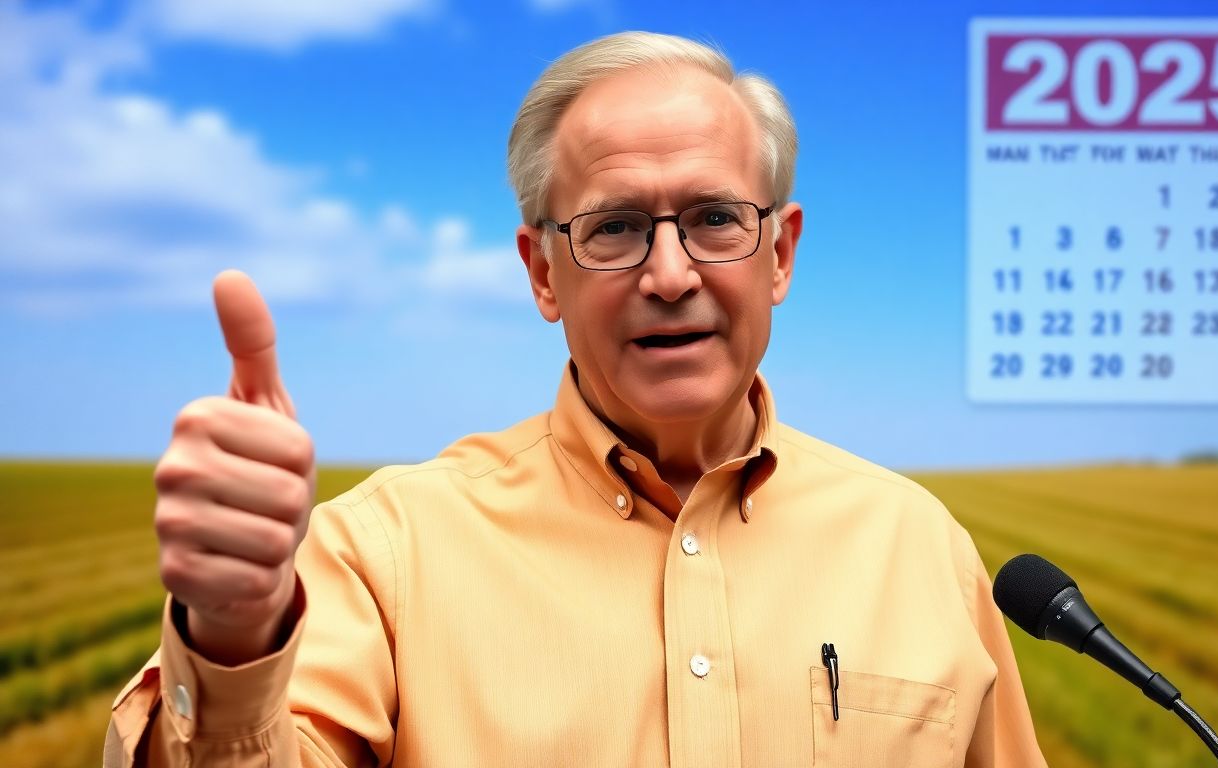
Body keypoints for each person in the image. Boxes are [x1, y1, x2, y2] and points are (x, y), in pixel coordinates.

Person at [105, 31, 1047, 768]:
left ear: (781, 254)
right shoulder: (386, 553)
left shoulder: (920, 550)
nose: (671, 274)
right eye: (617, 228)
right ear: (543, 272)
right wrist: (233, 639)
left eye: (715, 219)